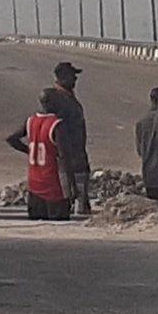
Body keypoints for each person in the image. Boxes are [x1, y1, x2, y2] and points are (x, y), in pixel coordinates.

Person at [6, 88, 74, 220]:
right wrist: (72, 185)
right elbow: (65, 157)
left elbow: (11, 139)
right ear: (54, 103)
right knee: (58, 225)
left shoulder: (30, 121)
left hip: (34, 187)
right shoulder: (57, 125)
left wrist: (30, 150)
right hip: (54, 189)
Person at [51, 61, 92, 216]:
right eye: (72, 76)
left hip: (76, 152)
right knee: (73, 191)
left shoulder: (67, 97)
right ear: (63, 77)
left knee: (79, 190)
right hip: (70, 155)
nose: (75, 79)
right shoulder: (59, 99)